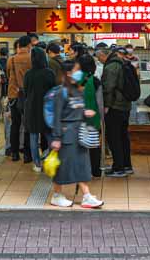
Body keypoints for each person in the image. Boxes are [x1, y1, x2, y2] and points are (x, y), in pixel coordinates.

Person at [48, 60, 103, 209]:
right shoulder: (61, 92)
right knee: (63, 167)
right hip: (66, 136)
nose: (80, 72)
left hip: (78, 134)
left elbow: (77, 109)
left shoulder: (77, 90)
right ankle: (57, 195)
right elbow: (57, 116)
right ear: (68, 73)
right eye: (77, 69)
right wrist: (57, 138)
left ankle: (86, 195)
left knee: (82, 166)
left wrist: (85, 113)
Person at [22, 47, 56, 172]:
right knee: (49, 135)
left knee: (33, 137)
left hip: (31, 108)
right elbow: (54, 90)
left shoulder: (28, 74)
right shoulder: (49, 73)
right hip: (47, 109)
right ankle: (52, 160)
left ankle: (37, 164)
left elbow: (25, 92)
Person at [102, 46, 132, 177]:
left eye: (99, 57)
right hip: (125, 105)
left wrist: (106, 105)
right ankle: (126, 165)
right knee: (123, 136)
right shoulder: (124, 64)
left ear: (104, 55)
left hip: (115, 106)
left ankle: (118, 168)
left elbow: (109, 88)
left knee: (114, 137)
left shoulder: (111, 67)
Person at [6, 35, 33, 162]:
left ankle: (15, 153)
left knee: (15, 125)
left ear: (18, 45)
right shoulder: (32, 58)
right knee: (28, 124)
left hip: (14, 95)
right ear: (29, 45)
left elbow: (8, 74)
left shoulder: (11, 59)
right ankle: (27, 154)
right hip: (28, 95)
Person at [77, 53, 103, 178]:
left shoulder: (73, 79)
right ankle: (95, 170)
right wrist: (102, 118)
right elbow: (100, 102)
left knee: (78, 145)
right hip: (93, 118)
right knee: (94, 145)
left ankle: (80, 170)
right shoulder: (95, 81)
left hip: (76, 118)